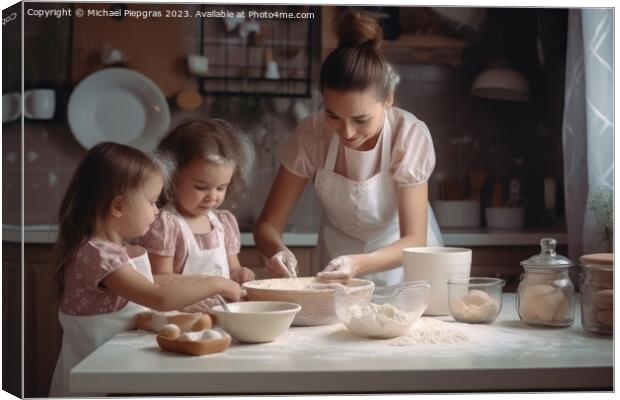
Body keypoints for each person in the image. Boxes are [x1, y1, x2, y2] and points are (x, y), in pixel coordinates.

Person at [254, 10, 443, 286]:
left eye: (361, 119)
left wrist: (357, 263)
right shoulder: (312, 134)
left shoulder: (409, 135)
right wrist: (277, 250)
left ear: (389, 99)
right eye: (333, 116)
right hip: (336, 268)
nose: (348, 132)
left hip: (406, 270)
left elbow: (415, 239)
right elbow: (267, 226)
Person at [49, 142, 241, 397]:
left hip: (116, 370)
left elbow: (156, 290)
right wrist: (219, 283)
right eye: (151, 202)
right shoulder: (97, 256)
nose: (156, 210)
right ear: (118, 207)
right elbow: (157, 297)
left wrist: (193, 296)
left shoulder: (113, 249)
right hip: (95, 381)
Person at [137, 119, 256, 312]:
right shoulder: (166, 224)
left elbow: (233, 270)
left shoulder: (223, 223)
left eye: (221, 188)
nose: (212, 196)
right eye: (201, 187)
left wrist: (241, 274)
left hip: (222, 313)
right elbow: (159, 280)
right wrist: (201, 292)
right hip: (179, 315)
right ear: (172, 177)